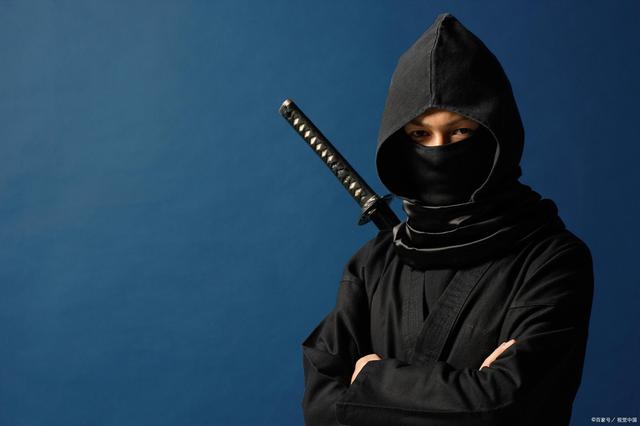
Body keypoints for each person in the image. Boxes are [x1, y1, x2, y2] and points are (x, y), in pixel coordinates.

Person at [301, 12, 594, 426]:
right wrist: (469, 391)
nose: (439, 149)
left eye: (459, 131)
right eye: (421, 134)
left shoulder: (551, 261)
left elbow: (506, 406)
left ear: (495, 133)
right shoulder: (371, 265)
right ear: (400, 141)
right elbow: (320, 408)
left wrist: (370, 381)